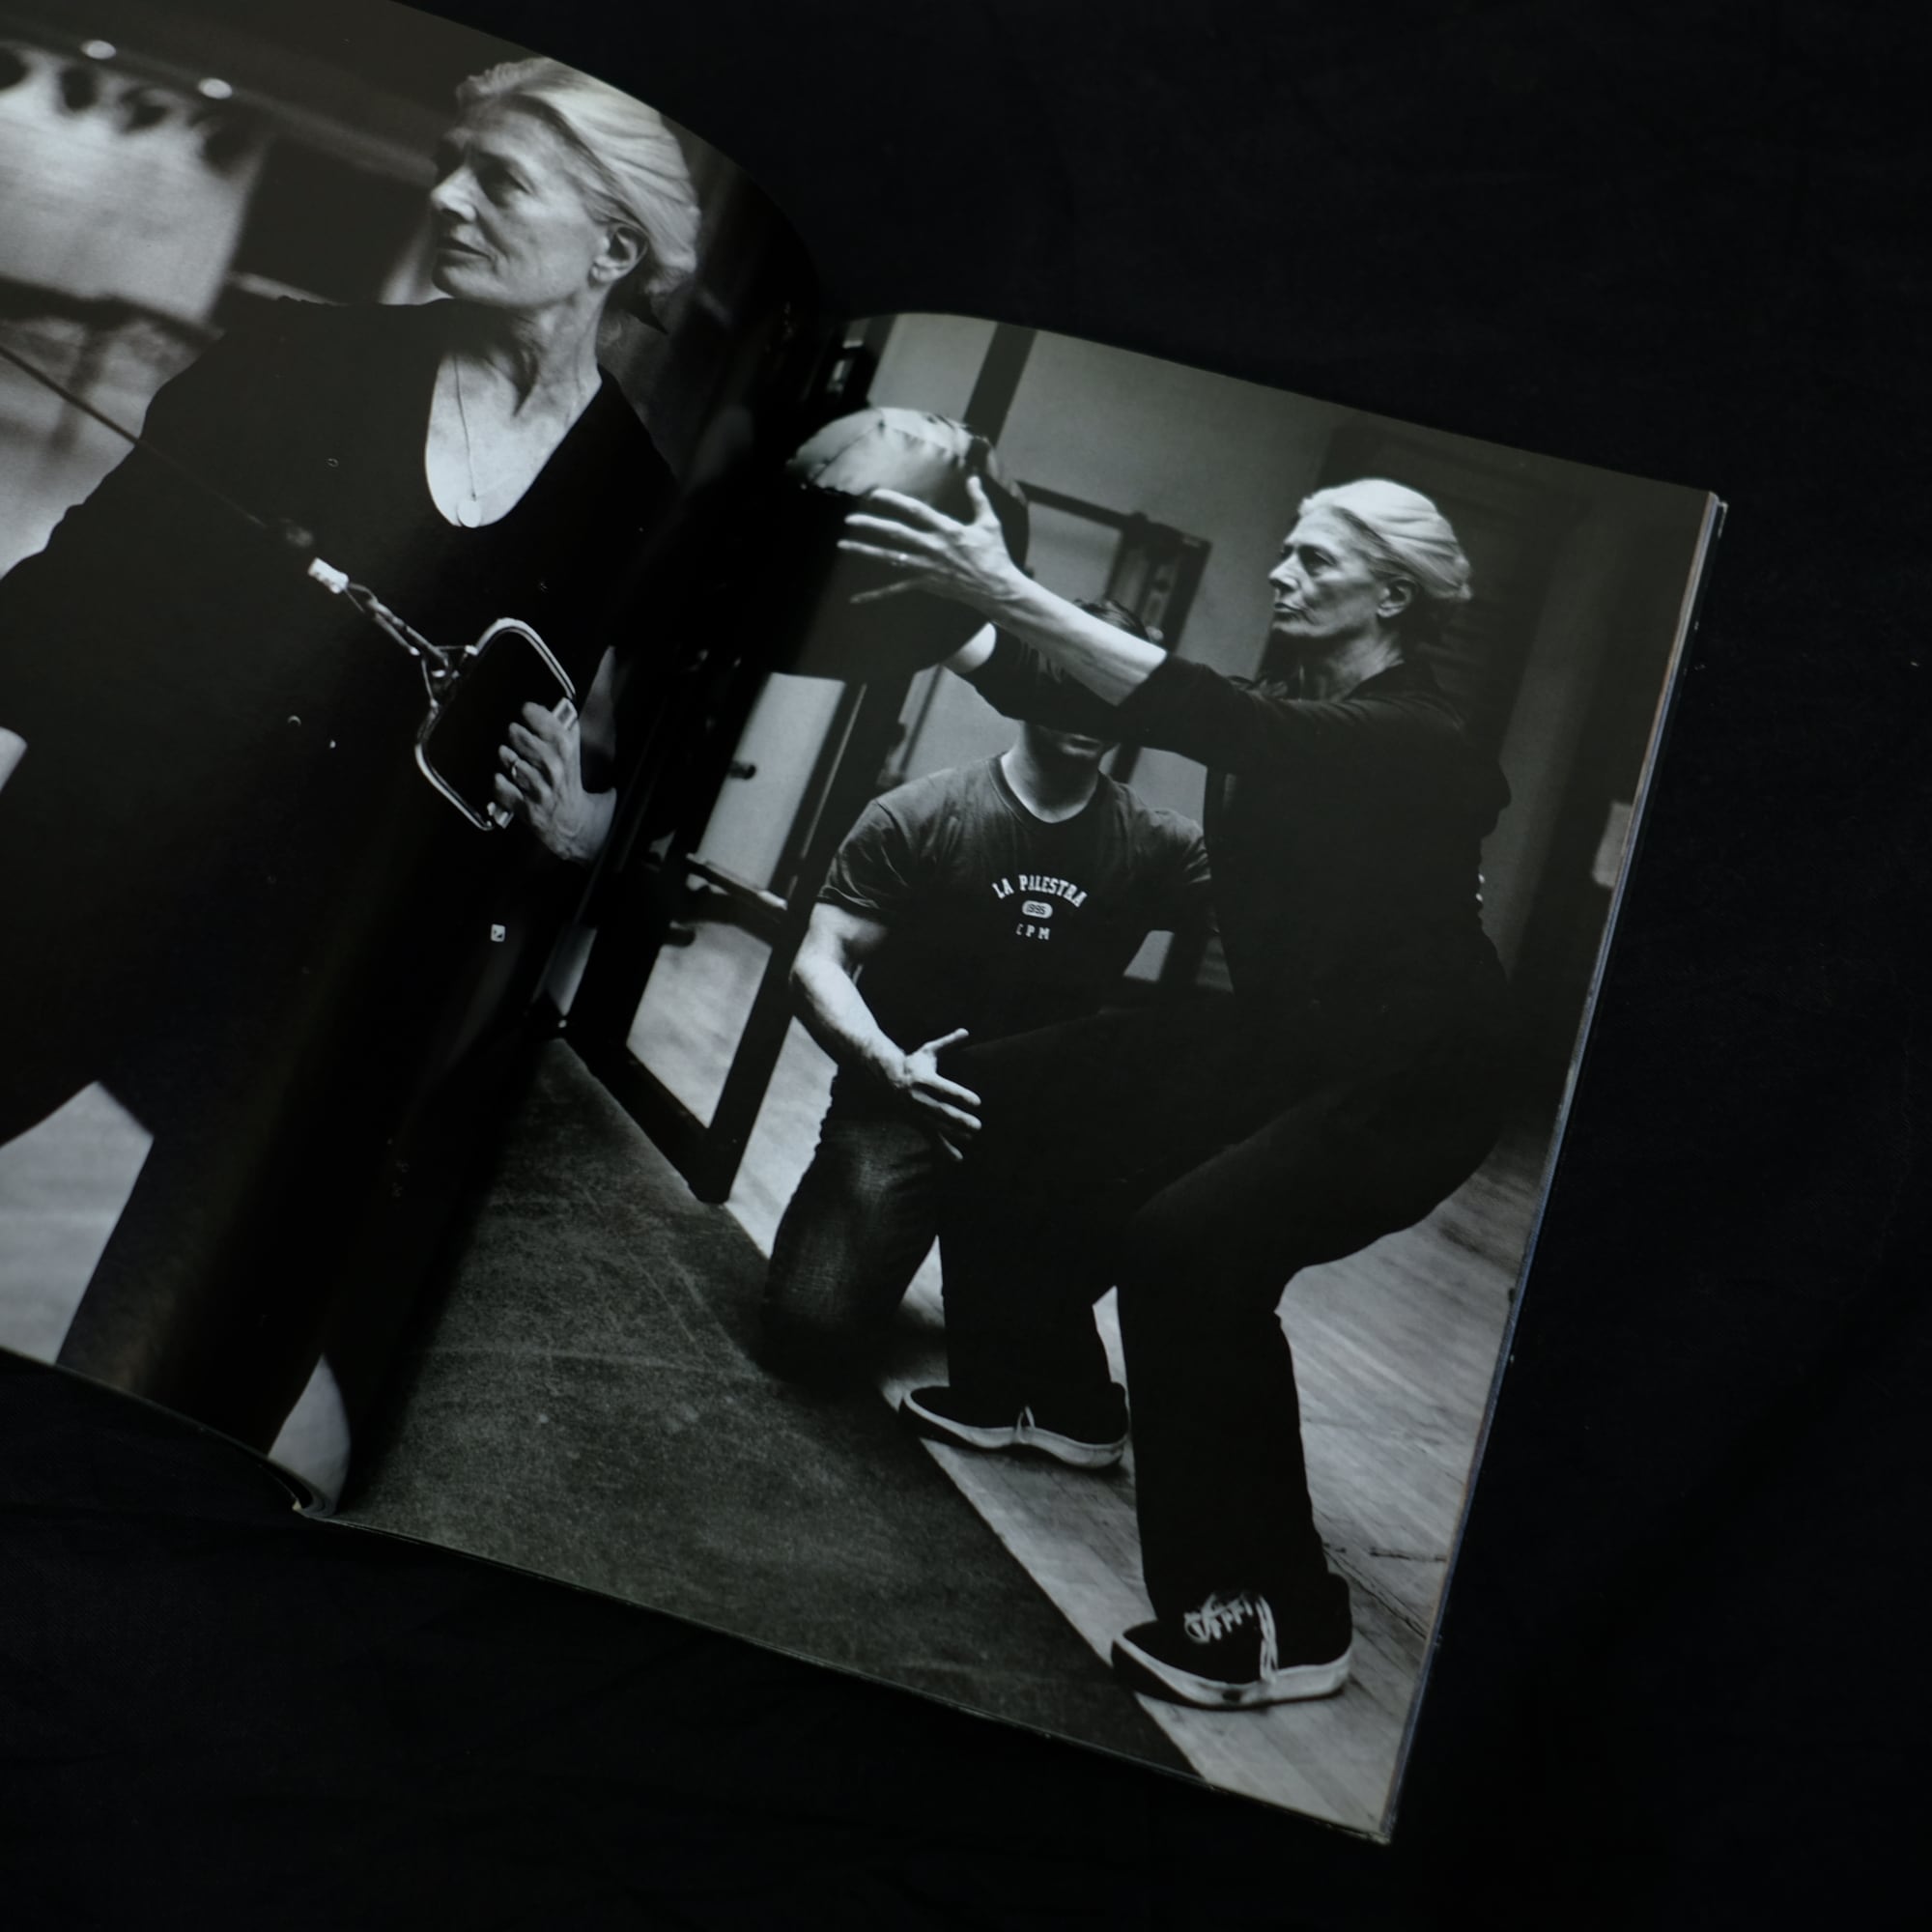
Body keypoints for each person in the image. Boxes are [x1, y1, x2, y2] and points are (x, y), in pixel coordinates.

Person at [0, 57, 700, 1453]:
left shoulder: (637, 501)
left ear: (612, 251)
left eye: (499, 180)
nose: (446, 198)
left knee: (193, 1379)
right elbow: (69, 603)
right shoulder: (291, 362)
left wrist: (583, 829)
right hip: (99, 872)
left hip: (332, 981)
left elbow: (643, 786)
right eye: (451, 164)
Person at [838, 474, 1517, 1710]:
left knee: (1190, 1252)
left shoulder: (1419, 736)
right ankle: (1044, 1386)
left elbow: (1213, 717)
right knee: (998, 1083)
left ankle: (1281, 1615)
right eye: (1286, 549)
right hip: (1287, 1038)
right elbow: (1096, 696)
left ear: (1391, 595)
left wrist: (1005, 585)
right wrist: (953, 612)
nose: (1280, 573)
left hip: (1416, 1074)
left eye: (1315, 560)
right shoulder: (1296, 705)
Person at [761, 612, 1212, 1440]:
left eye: (1112, 692)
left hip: (1039, 1134)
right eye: (1069, 682)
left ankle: (1025, 1305)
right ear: (1027, 682)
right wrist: (890, 1067)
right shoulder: (921, 814)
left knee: (1167, 1189)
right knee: (807, 1335)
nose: (1091, 708)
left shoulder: (1158, 845)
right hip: (904, 1102)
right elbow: (818, 962)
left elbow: (1279, 916)